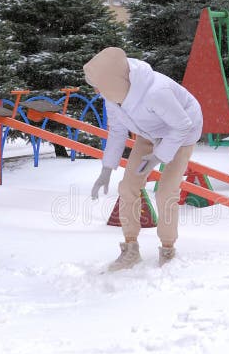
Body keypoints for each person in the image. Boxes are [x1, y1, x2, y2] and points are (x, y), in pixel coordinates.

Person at [83, 47, 203, 271]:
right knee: (127, 186)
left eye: (99, 86)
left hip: (182, 133)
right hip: (149, 132)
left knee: (166, 191)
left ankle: (167, 249)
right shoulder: (112, 96)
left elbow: (182, 125)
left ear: (112, 82)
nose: (97, 91)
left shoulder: (156, 92)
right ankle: (130, 249)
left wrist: (158, 156)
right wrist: (107, 169)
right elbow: (117, 132)